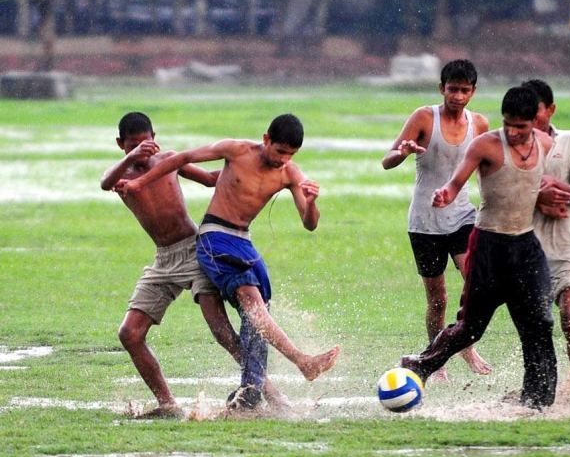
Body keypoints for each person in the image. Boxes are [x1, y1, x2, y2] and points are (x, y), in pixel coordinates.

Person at [116, 113, 340, 411]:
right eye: (279, 151)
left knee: (250, 318)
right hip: (214, 238)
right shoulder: (236, 150)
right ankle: (300, 361)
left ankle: (258, 391)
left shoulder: (290, 173)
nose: (283, 160)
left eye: (290, 154)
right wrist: (140, 182)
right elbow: (182, 157)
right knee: (248, 301)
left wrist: (311, 203)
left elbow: (309, 224)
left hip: (242, 242)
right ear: (266, 140)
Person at [101, 112, 285, 417]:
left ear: (155, 139)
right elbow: (105, 182)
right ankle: (168, 404)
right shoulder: (122, 175)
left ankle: (270, 392)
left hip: (195, 251)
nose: (142, 152)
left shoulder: (168, 162)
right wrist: (130, 158)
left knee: (221, 330)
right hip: (163, 260)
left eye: (146, 143)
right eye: (133, 146)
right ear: (121, 144)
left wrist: (250, 165)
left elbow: (213, 180)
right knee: (129, 334)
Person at [401, 87, 570, 409]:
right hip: (489, 245)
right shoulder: (486, 146)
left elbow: (533, 186)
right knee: (471, 327)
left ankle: (538, 399)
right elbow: (455, 183)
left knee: (539, 321)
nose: (513, 132)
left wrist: (549, 198)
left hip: (525, 245)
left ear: (535, 122)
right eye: (508, 124)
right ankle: (420, 365)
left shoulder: (547, 145)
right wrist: (445, 196)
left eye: (520, 126)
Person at [382, 59, 491, 381]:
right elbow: (387, 161)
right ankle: (435, 355)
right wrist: (403, 152)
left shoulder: (480, 125)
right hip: (424, 221)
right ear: (441, 88)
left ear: (473, 92)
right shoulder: (423, 117)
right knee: (438, 298)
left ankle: (465, 345)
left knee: (474, 282)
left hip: (463, 216)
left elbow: (488, 168)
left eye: (464, 90)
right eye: (452, 89)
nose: (457, 96)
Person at [523, 79, 570, 397]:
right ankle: (542, 387)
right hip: (526, 247)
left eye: (536, 115)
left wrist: (555, 185)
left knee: (569, 314)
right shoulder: (514, 147)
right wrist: (538, 195)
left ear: (551, 110)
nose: (531, 123)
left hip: (563, 245)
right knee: (537, 327)